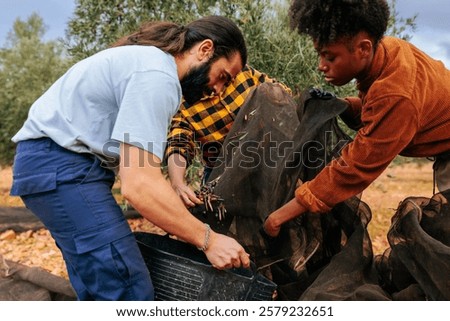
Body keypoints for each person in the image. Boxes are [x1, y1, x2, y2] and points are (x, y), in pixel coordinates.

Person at [10, 15, 251, 301]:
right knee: (128, 291)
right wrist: (208, 240)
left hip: (52, 167)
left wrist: (172, 189)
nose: (219, 90)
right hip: (63, 169)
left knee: (99, 287)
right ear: (205, 49)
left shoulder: (148, 64)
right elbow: (138, 185)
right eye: (223, 76)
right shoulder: (157, 76)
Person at [264, 0, 450, 237]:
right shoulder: (388, 51)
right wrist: (341, 106)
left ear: (363, 49)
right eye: (320, 55)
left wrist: (280, 215)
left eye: (330, 57)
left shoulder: (398, 95)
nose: (322, 66)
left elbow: (354, 168)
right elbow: (375, 110)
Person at [165, 65, 291, 207]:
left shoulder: (241, 73)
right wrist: (177, 182)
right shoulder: (184, 104)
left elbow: (279, 93)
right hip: (221, 176)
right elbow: (178, 144)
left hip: (268, 163)